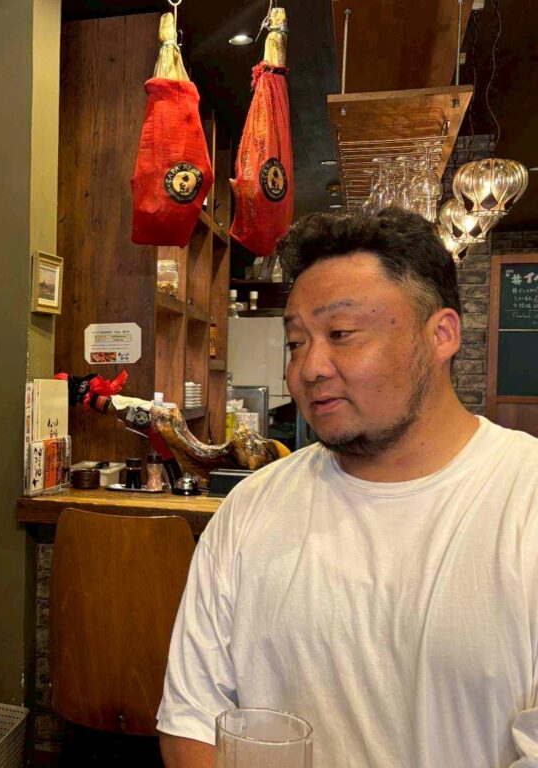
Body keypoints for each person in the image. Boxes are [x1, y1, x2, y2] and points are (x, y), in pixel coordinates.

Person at [157, 209, 538, 768]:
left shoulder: (523, 500)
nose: (309, 368)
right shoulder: (251, 508)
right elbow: (192, 721)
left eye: (341, 334)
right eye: (295, 343)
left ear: (441, 335)